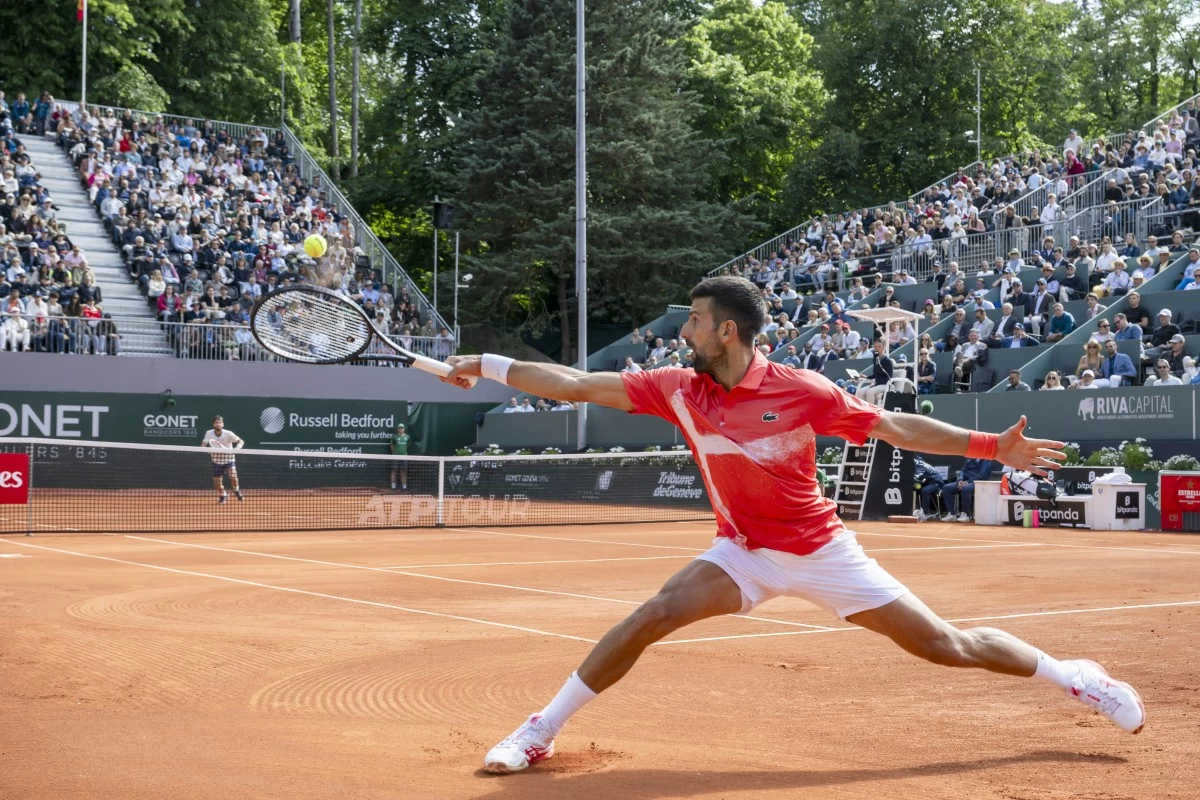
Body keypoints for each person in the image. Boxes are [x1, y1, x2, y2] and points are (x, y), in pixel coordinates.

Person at [441, 275, 1144, 775]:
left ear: (727, 331)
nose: (681, 332)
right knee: (651, 615)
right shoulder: (675, 388)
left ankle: (1076, 676)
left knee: (946, 645)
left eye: (693, 321)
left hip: (820, 550)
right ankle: (541, 730)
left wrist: (992, 447)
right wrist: (486, 365)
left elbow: (895, 425)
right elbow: (569, 384)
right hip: (742, 553)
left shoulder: (803, 392)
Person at [201, 415, 244, 504]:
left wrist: (236, 449)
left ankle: (236, 490)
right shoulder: (208, 433)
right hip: (216, 461)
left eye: (220, 422)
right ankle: (223, 495)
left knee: (233, 476)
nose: (218, 424)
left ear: (223, 424)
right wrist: (207, 451)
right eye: (216, 423)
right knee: (217, 483)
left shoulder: (228, 433)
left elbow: (241, 441)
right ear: (213, 424)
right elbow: (203, 445)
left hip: (229, 459)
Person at [940, 457, 993, 522]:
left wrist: (967, 482)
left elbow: (982, 475)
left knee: (965, 488)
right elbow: (963, 470)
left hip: (978, 482)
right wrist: (960, 480)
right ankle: (952, 514)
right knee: (946, 488)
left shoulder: (986, 460)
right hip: (965, 481)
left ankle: (965, 514)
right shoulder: (969, 458)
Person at [389, 423, 412, 491]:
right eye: (399, 428)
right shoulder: (394, 437)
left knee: (403, 471)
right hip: (395, 457)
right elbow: (392, 445)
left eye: (402, 428)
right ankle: (393, 486)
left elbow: (408, 446)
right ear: (397, 429)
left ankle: (404, 487)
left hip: (404, 457)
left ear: (404, 429)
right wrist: (395, 453)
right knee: (394, 471)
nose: (401, 429)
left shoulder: (407, 437)